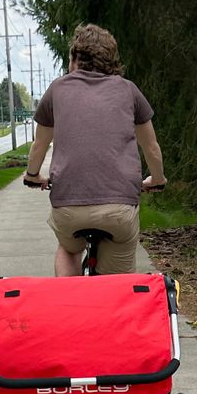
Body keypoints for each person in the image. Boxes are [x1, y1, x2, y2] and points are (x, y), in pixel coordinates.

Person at [24, 23, 166, 275]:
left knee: (68, 249)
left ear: (74, 58)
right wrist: (157, 179)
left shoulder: (57, 89)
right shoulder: (129, 90)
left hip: (69, 208)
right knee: (116, 280)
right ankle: (112, 296)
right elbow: (151, 147)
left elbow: (39, 145)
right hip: (119, 209)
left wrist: (33, 175)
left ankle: (68, 297)